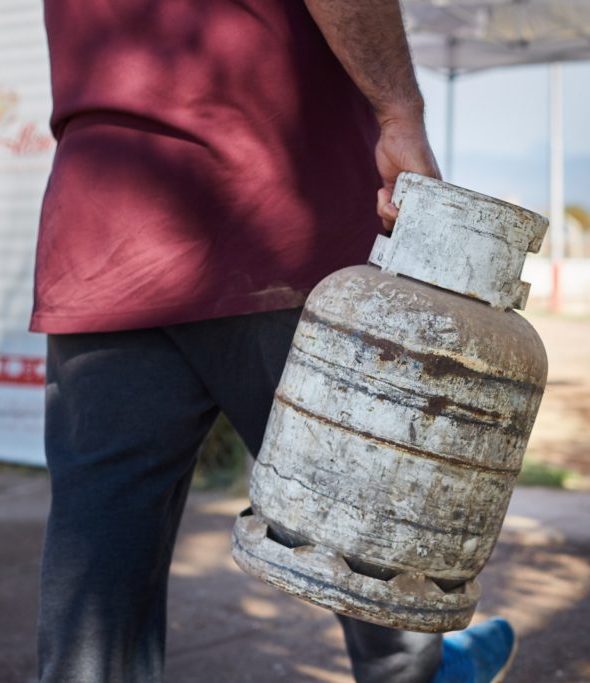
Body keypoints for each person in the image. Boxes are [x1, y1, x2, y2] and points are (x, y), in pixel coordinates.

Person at [31, 1, 515, 681]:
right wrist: (401, 112)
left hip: (105, 231)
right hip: (272, 214)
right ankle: (424, 669)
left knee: (97, 592)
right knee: (368, 516)